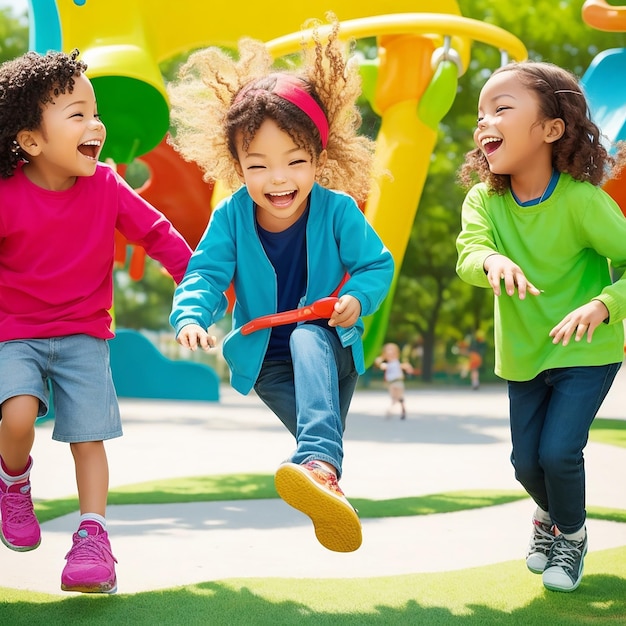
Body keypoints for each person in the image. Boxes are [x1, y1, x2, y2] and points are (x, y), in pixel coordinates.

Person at [168, 16, 394, 553]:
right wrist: (192, 315)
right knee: (322, 441)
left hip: (326, 344)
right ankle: (326, 480)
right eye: (259, 165)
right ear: (237, 164)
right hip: (265, 361)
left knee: (304, 341)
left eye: (295, 162)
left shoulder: (337, 211)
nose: (279, 179)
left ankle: (316, 462)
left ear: (319, 158)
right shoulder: (230, 217)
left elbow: (376, 265)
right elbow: (204, 273)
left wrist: (356, 299)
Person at [0, 50, 192, 593]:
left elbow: (157, 234)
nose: (96, 124)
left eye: (95, 111)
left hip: (85, 332)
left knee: (89, 439)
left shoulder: (106, 186)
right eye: (76, 114)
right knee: (16, 417)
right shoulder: (7, 194)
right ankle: (12, 483)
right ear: (32, 141)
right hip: (15, 331)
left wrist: (198, 284)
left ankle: (93, 538)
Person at [456, 60, 626, 593]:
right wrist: (491, 263)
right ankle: (549, 518)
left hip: (587, 351)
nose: (486, 121)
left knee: (557, 453)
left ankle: (569, 536)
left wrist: (604, 304)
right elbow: (469, 253)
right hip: (525, 354)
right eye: (482, 112)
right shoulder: (484, 200)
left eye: (502, 108)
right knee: (525, 464)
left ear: (552, 130)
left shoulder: (583, 202)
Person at [374, 342, 413, 418]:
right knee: (395, 397)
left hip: (398, 381)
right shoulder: (387, 365)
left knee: (397, 397)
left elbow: (403, 366)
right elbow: (378, 363)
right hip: (391, 383)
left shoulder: (396, 363)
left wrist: (407, 368)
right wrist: (382, 357)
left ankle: (391, 410)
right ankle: (401, 408)